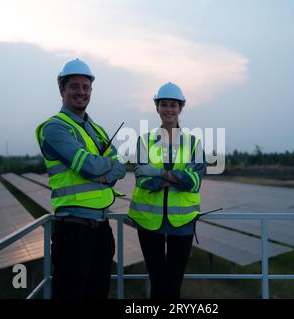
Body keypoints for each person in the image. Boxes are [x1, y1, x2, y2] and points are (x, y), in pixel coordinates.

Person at [36, 58, 126, 298]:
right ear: (62, 89)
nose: (81, 92)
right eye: (74, 86)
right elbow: (87, 165)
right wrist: (104, 166)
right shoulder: (55, 128)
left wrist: (105, 175)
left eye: (86, 87)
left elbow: (120, 168)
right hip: (73, 232)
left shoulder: (96, 129)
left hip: (102, 230)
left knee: (99, 294)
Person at [128, 82, 206, 299]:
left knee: (173, 283)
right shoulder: (144, 141)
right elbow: (141, 178)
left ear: (180, 108)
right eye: (164, 104)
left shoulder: (193, 143)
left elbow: (194, 180)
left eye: (173, 105)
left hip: (182, 222)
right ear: (157, 107)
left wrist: (159, 174)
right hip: (148, 220)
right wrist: (175, 178)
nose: (168, 109)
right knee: (157, 281)